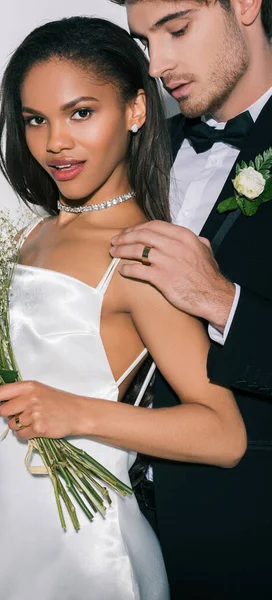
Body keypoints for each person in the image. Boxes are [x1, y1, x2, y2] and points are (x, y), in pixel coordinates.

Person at [0, 17, 247, 600]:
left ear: (135, 110)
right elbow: (11, 431)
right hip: (18, 555)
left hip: (95, 559)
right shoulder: (33, 239)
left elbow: (223, 434)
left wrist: (75, 413)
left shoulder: (142, 254)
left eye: (81, 113)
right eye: (36, 119)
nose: (56, 141)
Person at [109, 1, 272, 598]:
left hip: (250, 544)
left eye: (177, 29)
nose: (157, 64)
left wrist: (222, 301)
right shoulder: (135, 150)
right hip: (116, 533)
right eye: (145, 41)